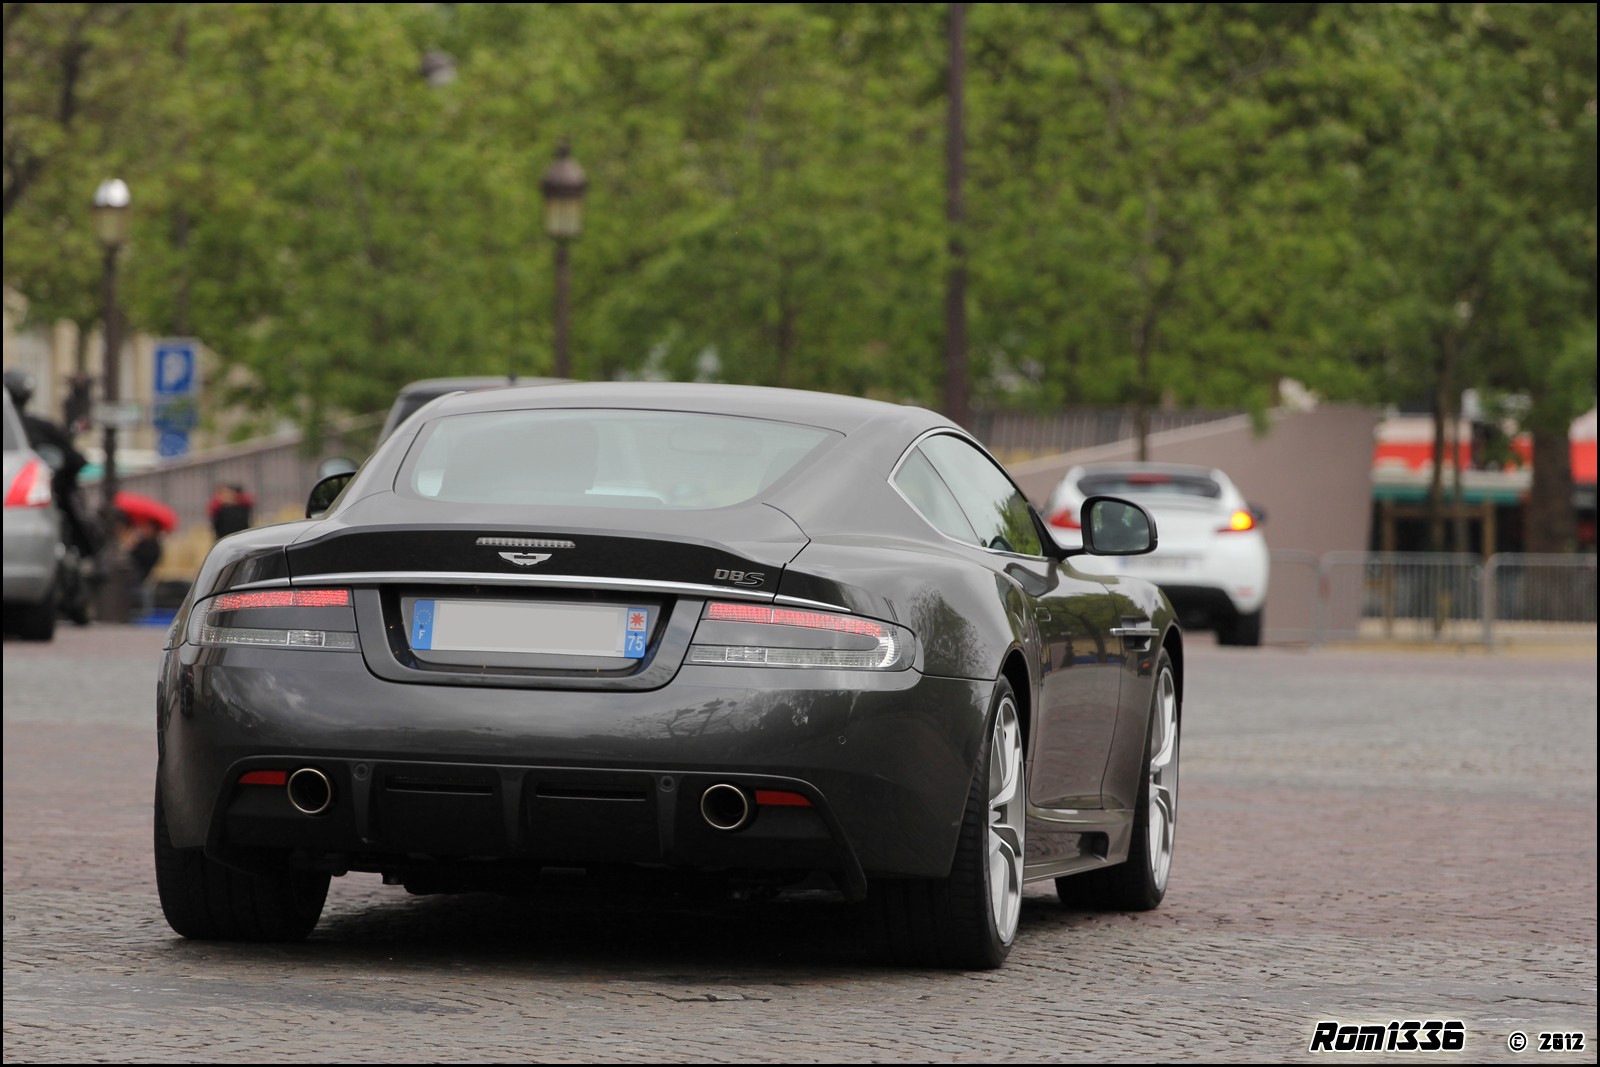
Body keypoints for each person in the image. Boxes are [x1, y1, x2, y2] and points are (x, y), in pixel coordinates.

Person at [4, 367, 100, 623]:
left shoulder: (26, 434)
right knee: (80, 529)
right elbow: (76, 460)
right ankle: (91, 562)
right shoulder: (39, 429)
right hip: (30, 512)